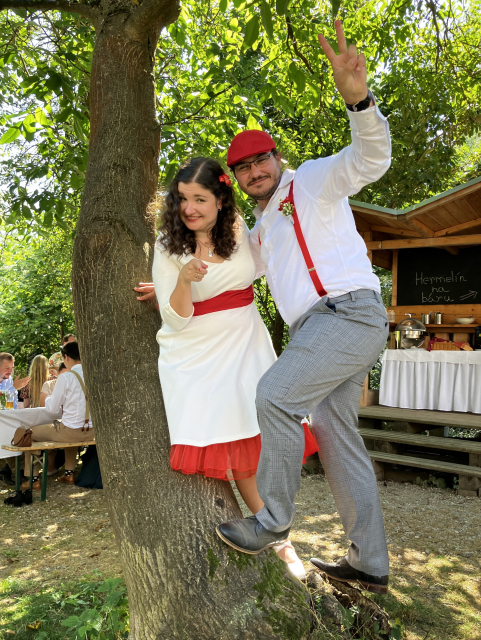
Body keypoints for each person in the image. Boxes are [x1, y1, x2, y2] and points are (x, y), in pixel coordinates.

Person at [215, 22, 391, 594]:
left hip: (348, 313)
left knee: (273, 395)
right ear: (239, 180)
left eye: (260, 160)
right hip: (319, 331)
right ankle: (370, 562)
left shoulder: (312, 180)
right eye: (243, 169)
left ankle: (272, 520)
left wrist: (358, 100)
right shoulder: (262, 225)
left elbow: (369, 160)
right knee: (340, 443)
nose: (254, 171)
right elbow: (240, 273)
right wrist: (175, 286)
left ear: (276, 157)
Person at [151, 157, 318, 579]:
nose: (189, 208)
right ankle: (282, 543)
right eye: (183, 198)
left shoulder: (241, 231)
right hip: (196, 350)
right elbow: (175, 317)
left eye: (200, 199)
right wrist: (182, 281)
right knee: (234, 447)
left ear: (222, 200)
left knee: (257, 437)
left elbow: (267, 261)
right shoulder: (168, 245)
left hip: (246, 343)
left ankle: (276, 532)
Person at [21, 341, 93, 489]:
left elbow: (52, 409)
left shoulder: (66, 377)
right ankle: (69, 474)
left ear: (66, 357)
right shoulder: (92, 374)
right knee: (68, 427)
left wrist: (47, 398)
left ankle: (33, 478)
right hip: (92, 432)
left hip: (71, 433)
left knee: (28, 432)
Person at [0, 353, 30, 484]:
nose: (10, 371)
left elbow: (12, 404)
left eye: (12, 367)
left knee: (24, 434)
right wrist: (13, 389)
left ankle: (19, 471)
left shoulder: (10, 380)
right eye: (7, 368)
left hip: (7, 419)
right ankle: (18, 472)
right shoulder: (11, 384)